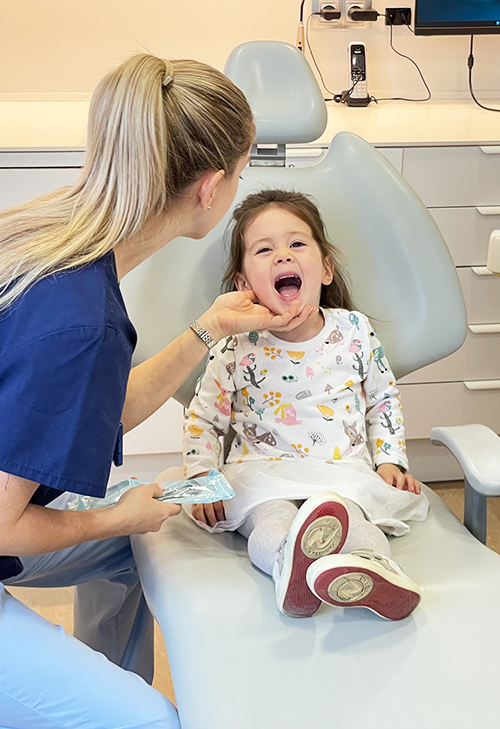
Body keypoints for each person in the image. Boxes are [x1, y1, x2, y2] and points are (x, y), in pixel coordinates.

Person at [0, 57, 316, 729]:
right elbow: (2, 521)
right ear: (210, 188)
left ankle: (94, 685)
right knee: (152, 720)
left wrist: (207, 329)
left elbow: (84, 409)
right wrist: (118, 515)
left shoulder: (51, 239)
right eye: (241, 170)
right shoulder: (83, 320)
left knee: (142, 550)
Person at [183, 189, 430, 622]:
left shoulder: (354, 329)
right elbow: (204, 417)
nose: (283, 256)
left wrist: (390, 459)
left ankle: (374, 571)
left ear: (326, 269)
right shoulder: (236, 344)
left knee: (352, 521)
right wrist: (202, 476)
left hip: (339, 475)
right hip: (262, 472)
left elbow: (383, 398)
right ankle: (287, 565)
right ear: (244, 285)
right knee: (272, 520)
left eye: (297, 244)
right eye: (264, 250)